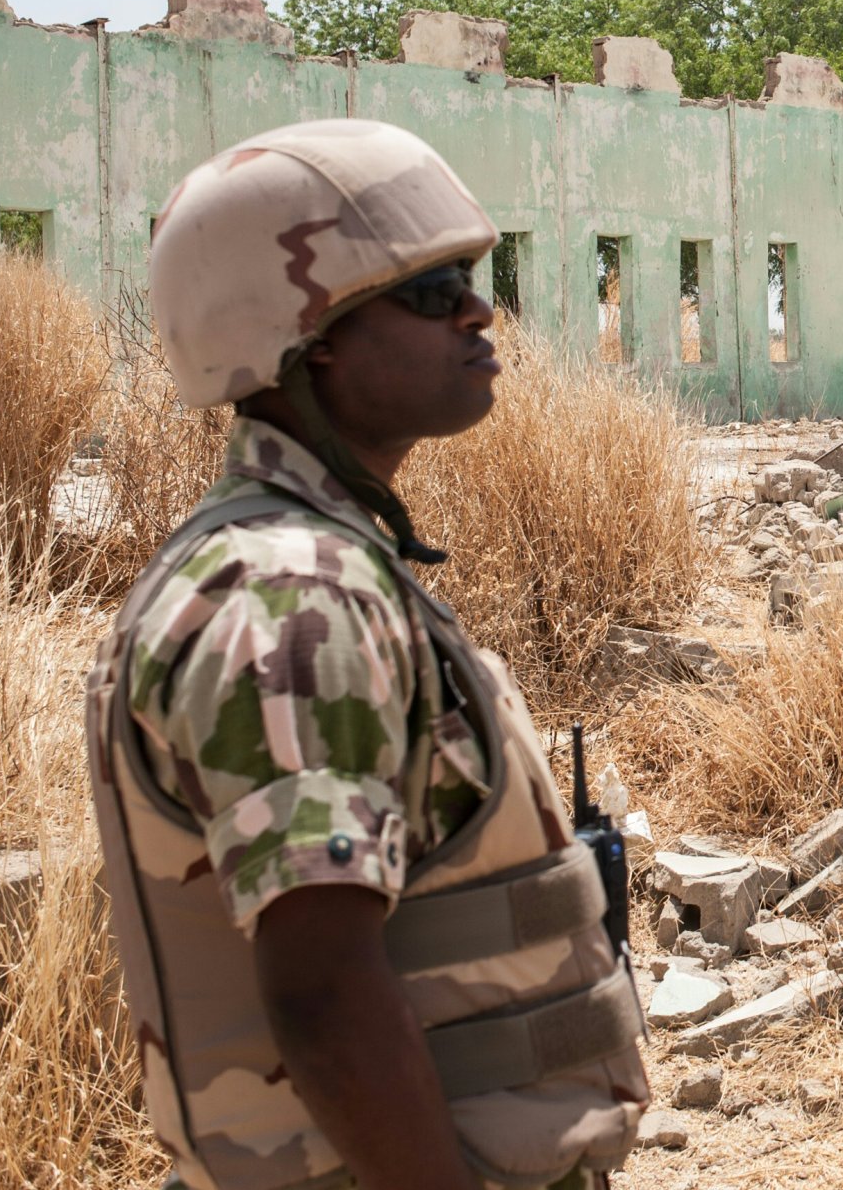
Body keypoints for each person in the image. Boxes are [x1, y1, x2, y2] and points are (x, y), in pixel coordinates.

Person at [85, 119, 646, 1190]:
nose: (481, 311)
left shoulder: (307, 559)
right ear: (308, 338)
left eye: (472, 278)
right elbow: (323, 994)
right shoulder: (289, 594)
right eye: (432, 292)